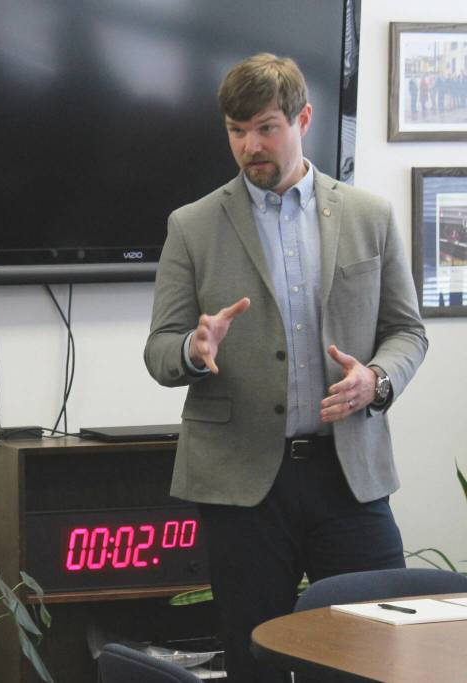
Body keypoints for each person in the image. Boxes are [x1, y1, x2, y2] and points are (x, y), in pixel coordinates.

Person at [143, 53, 427, 682]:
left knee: (378, 654)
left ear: (304, 117)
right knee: (255, 661)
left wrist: (375, 380)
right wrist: (193, 348)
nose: (250, 146)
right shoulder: (192, 227)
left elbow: (406, 332)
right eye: (236, 131)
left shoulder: (369, 217)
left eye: (266, 128)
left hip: (347, 475)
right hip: (243, 484)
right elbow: (159, 348)